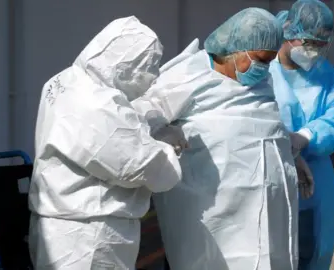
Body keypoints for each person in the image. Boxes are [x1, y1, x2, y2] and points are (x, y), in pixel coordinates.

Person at [131, 8, 307, 270]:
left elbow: (268, 124)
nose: (264, 68)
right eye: (260, 59)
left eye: (269, 61)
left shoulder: (259, 81)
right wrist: (160, 131)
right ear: (236, 49)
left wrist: (292, 155)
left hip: (267, 211)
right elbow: (142, 115)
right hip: (213, 216)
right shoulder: (188, 75)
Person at [28, 16, 186, 269]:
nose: (153, 75)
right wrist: (167, 146)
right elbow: (137, 165)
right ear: (124, 63)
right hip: (91, 233)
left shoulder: (67, 80)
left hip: (65, 224)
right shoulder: (95, 103)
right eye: (148, 66)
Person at [270, 1, 334, 269]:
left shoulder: (323, 71)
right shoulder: (263, 68)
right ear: (288, 32)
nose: (313, 52)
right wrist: (285, 147)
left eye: (321, 44)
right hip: (272, 170)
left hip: (316, 171)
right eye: (309, 43)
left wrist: (305, 136)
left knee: (318, 243)